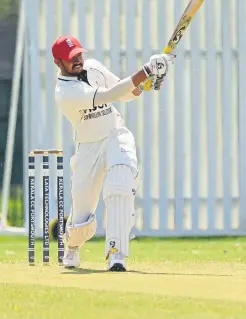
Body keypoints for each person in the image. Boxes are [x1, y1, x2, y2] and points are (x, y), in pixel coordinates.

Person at [52, 35, 175, 271]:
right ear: (59, 62)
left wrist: (146, 82)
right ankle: (73, 246)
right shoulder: (65, 92)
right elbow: (109, 95)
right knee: (81, 214)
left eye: (79, 54)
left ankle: (116, 254)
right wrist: (148, 69)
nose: (77, 60)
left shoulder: (94, 67)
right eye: (71, 59)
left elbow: (125, 92)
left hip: (115, 134)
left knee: (119, 186)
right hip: (88, 146)